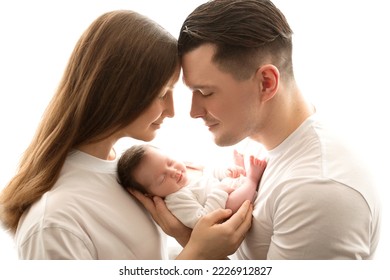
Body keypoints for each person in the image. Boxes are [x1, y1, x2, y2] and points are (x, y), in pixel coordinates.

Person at [0, 10, 253, 260]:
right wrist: (196, 255)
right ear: (119, 92)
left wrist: (186, 239)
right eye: (162, 93)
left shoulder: (127, 172)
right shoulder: (54, 223)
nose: (173, 111)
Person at [172, 0, 381, 259]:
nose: (193, 111)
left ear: (266, 83)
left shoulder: (317, 190)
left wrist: (195, 256)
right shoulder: (255, 142)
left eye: (205, 92)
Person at [117, 144, 267, 228]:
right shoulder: (176, 199)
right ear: (150, 194)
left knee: (228, 175)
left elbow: (209, 172)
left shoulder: (188, 167)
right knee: (229, 202)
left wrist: (226, 171)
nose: (173, 172)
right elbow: (201, 221)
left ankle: (241, 172)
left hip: (227, 187)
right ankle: (252, 180)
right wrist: (219, 193)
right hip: (227, 209)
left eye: (169, 162)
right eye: (162, 178)